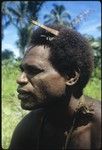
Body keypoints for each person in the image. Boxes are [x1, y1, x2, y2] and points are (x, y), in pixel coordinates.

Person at [9, 22, 101, 150]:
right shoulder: (30, 126)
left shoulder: (98, 128)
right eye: (22, 70)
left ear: (70, 76)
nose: (20, 79)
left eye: (34, 70)